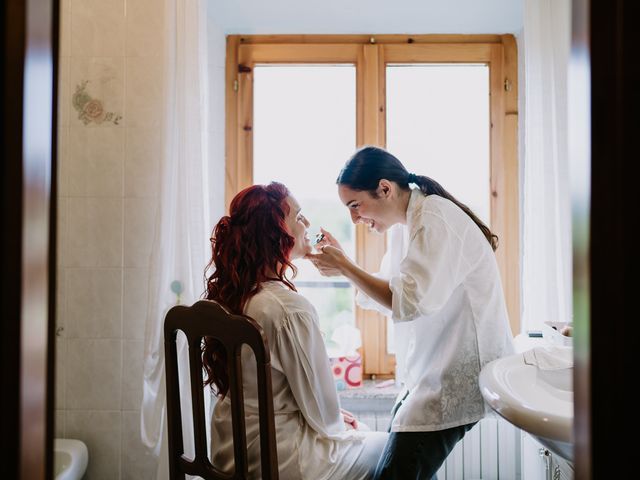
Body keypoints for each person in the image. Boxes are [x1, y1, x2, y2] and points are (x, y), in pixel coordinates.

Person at [307, 146, 515, 480]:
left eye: (355, 205)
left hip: (456, 374)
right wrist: (345, 266)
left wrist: (346, 266)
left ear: (385, 188)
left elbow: (408, 301)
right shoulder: (408, 225)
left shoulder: (433, 218)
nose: (354, 219)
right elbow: (385, 296)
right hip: (430, 373)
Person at [203, 182, 389, 480]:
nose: (308, 224)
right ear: (276, 234)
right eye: (299, 217)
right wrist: (336, 420)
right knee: (392, 451)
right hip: (280, 459)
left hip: (231, 449)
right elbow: (324, 415)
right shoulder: (289, 308)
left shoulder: (236, 296)